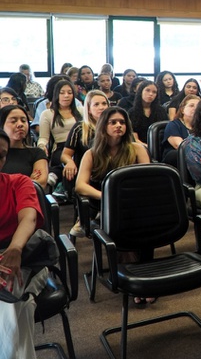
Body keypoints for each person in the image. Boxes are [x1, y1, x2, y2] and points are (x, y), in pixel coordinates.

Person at [74, 107, 151, 304]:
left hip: (133, 204)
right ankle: (137, 281)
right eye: (113, 122)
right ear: (103, 126)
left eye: (122, 122)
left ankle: (142, 276)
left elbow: (148, 179)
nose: (118, 126)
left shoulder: (137, 149)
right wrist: (106, 196)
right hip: (103, 209)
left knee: (148, 219)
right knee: (119, 223)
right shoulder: (92, 154)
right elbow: (80, 186)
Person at [0, 129, 46, 359]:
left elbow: (28, 217)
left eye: (1, 155)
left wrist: (15, 249)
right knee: (21, 305)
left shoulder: (18, 182)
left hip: (25, 258)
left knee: (10, 298)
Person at [60, 90, 109, 237]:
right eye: (96, 104)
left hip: (107, 172)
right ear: (88, 108)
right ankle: (87, 217)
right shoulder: (80, 128)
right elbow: (65, 155)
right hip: (86, 174)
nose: (101, 107)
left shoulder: (114, 126)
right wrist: (69, 162)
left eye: (104, 103)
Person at [37, 80, 82, 195]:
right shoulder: (47, 114)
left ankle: (56, 175)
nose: (66, 96)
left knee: (79, 158)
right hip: (61, 147)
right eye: (62, 93)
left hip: (80, 145)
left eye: (69, 92)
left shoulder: (81, 111)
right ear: (56, 94)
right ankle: (65, 187)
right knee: (69, 159)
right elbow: (43, 137)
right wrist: (42, 146)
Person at [0, 105, 47, 184]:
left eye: (23, 121)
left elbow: (40, 183)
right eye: (13, 121)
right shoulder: (1, 153)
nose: (20, 124)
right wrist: (27, 180)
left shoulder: (37, 153)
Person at [162, 94, 199, 166]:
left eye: (198, 106)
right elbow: (179, 146)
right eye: (191, 106)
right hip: (177, 159)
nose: (195, 108)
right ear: (182, 110)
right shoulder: (173, 125)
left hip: (198, 156)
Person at [128, 80, 167, 147]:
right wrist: (148, 147)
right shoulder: (132, 112)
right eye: (147, 90)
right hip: (140, 147)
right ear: (141, 92)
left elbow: (165, 133)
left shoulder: (161, 111)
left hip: (160, 146)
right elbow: (134, 139)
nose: (151, 94)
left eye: (154, 92)